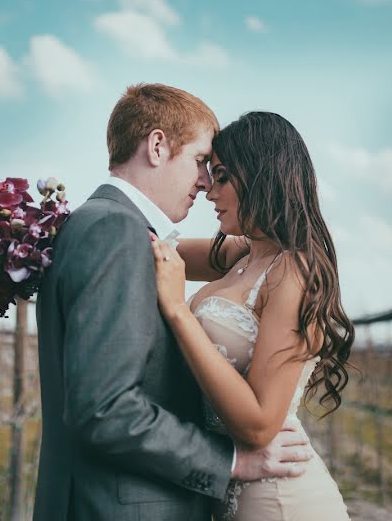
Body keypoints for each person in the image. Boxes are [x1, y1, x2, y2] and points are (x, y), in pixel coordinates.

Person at [33, 86, 315, 521]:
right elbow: (105, 407)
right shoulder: (116, 232)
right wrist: (230, 461)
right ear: (158, 145)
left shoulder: (110, 227)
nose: (205, 185)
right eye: (203, 163)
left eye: (218, 174)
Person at [151, 111, 354, 520]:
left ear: (263, 176)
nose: (209, 190)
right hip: (229, 497)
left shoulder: (294, 272)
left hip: (281, 502)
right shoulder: (242, 252)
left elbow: (260, 425)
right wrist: (37, 230)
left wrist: (177, 310)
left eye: (222, 176)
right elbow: (150, 248)